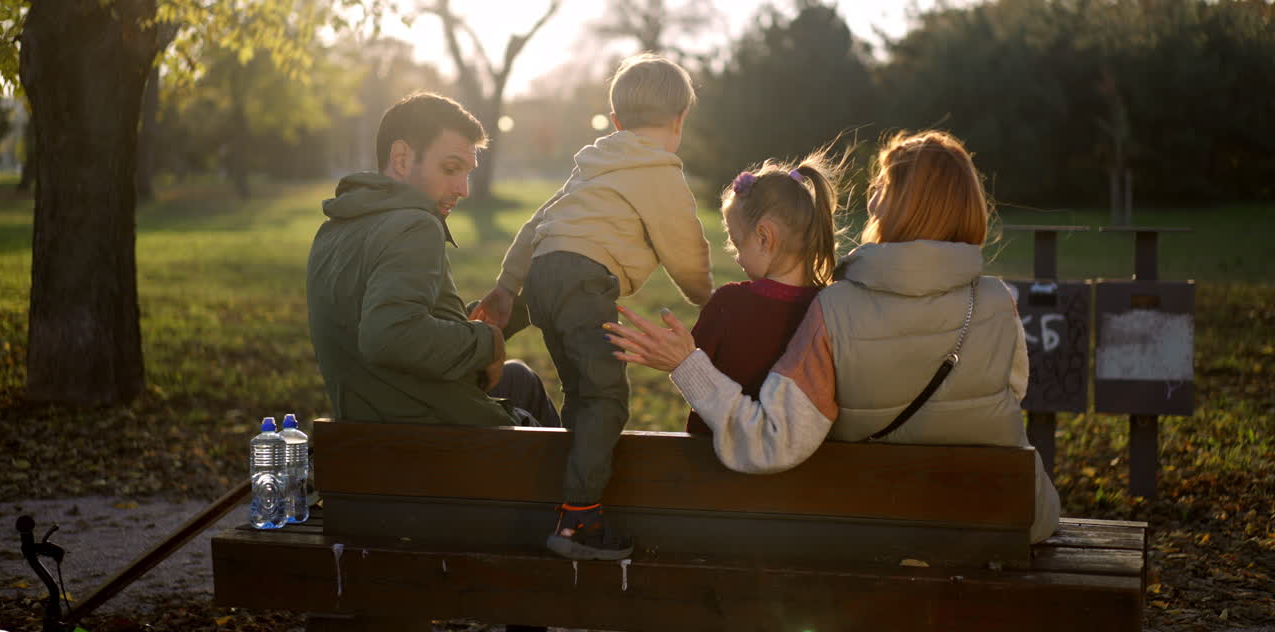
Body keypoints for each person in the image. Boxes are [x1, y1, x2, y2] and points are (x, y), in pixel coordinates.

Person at [607, 130, 1061, 543]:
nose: (871, 193)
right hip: (1015, 526)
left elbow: (773, 440)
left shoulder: (837, 310)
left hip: (889, 533)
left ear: (891, 205)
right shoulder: (998, 302)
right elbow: (1010, 392)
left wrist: (689, 368)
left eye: (880, 185)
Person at [470, 53, 713, 560]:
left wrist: (506, 286)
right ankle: (580, 520)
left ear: (617, 121)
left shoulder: (593, 163)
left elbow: (541, 222)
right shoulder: (661, 172)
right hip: (584, 283)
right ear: (679, 121)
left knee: (583, 387)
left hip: (544, 273)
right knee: (605, 397)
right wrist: (706, 295)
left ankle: (469, 349)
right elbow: (686, 248)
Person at [306, 91, 560, 430]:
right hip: (429, 436)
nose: (463, 188)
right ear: (401, 158)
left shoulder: (336, 228)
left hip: (371, 420)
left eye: (466, 172)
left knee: (519, 379)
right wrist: (487, 342)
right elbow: (390, 336)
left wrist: (515, 305)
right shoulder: (415, 224)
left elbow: (396, 315)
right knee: (566, 457)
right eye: (451, 168)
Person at [684, 148, 846, 436]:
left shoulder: (729, 304)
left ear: (764, 237)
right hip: (804, 472)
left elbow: (693, 378)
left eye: (736, 243)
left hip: (713, 464)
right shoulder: (832, 309)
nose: (736, 256)